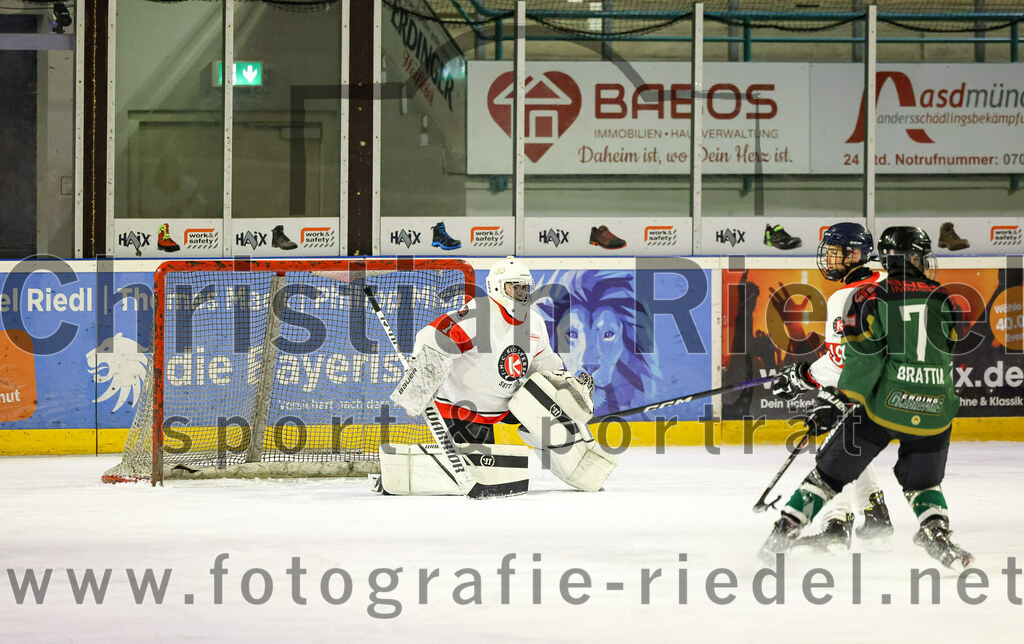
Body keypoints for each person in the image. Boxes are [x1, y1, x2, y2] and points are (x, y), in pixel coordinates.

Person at [760, 227, 972, 570]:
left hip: (885, 401)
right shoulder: (942, 296)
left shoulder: (862, 296)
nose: (830, 259)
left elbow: (852, 362)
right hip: (936, 406)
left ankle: (818, 527)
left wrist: (811, 381)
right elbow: (946, 351)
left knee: (832, 464)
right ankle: (915, 526)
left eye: (838, 252)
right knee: (924, 480)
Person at [393, 256, 617, 493]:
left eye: (525, 287)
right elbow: (430, 338)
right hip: (465, 410)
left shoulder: (534, 323)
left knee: (554, 413)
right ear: (498, 287)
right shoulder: (478, 315)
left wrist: (565, 386)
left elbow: (545, 364)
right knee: (482, 474)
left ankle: (579, 471)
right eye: (515, 287)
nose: (522, 293)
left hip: (510, 405)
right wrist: (421, 384)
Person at [770, 222, 893, 552]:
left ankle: (837, 523)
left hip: (870, 386)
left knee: (835, 450)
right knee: (851, 442)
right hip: (903, 387)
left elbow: (842, 363)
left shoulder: (844, 297)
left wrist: (802, 378)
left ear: (855, 254)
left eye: (836, 252)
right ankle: (874, 510)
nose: (829, 259)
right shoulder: (889, 282)